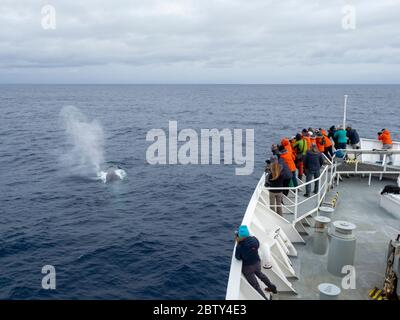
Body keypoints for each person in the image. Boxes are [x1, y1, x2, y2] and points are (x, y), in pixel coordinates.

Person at [235, 225, 277, 300]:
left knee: (255, 285)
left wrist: (239, 243)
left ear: (240, 236)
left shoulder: (240, 246)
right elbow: (257, 246)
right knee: (261, 275)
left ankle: (264, 298)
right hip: (257, 263)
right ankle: (272, 288)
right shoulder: (255, 239)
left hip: (248, 267)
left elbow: (237, 257)